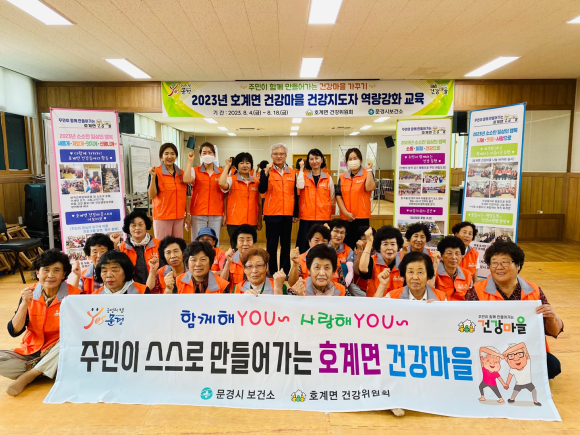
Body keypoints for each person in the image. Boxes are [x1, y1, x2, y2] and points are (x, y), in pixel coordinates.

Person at [465, 241, 563, 379]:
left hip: (525, 351)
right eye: (494, 263)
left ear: (518, 265)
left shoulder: (533, 290)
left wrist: (552, 317)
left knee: (552, 367)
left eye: (505, 262)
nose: (499, 267)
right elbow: (467, 324)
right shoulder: (477, 290)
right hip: (491, 351)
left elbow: (554, 331)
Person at [0, 249, 81, 396]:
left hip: (59, 351)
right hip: (31, 352)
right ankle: (46, 370)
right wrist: (24, 304)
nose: (50, 275)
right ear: (37, 272)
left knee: (70, 339)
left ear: (64, 274)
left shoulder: (75, 297)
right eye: (46, 270)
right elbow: (14, 331)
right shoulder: (29, 293)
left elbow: (80, 333)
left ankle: (29, 376)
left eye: (56, 270)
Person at [258, 143, 301, 275]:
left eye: (281, 154)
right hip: (271, 214)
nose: (279, 156)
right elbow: (262, 189)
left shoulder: (292, 173)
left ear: (286, 156)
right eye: (276, 154)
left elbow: (295, 194)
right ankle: (271, 271)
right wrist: (266, 173)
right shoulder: (266, 171)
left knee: (286, 245)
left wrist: (295, 213)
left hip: (287, 214)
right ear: (271, 156)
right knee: (271, 245)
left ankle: (284, 271)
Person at [183, 142, 225, 243]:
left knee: (214, 242)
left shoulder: (221, 172)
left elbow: (225, 194)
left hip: (216, 213)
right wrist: (189, 162)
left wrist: (225, 214)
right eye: (204, 153)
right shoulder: (195, 170)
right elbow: (186, 179)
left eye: (210, 152)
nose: (207, 155)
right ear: (200, 155)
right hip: (198, 213)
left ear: (214, 155)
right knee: (198, 242)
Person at [335, 148, 376, 249]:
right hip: (346, 218)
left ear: (360, 160)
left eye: (355, 158)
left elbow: (370, 188)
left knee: (362, 246)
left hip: (362, 217)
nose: (353, 161)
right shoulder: (342, 177)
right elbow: (338, 196)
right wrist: (345, 213)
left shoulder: (367, 173)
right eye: (350, 159)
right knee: (346, 247)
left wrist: (369, 170)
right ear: (347, 162)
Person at [296, 149, 335, 253]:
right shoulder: (304, 177)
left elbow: (332, 196)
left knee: (322, 246)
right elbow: (299, 186)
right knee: (305, 245)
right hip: (306, 217)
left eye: (317, 158)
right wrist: (301, 169)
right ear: (308, 161)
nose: (314, 161)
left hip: (323, 217)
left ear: (321, 160)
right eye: (311, 159)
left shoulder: (328, 178)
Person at [147, 142, 189, 239]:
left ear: (176, 156)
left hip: (179, 217)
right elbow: (152, 196)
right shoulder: (156, 172)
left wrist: (187, 215)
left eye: (172, 154)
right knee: (163, 246)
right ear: (161, 156)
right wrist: (153, 178)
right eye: (166, 154)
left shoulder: (182, 174)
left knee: (177, 245)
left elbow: (185, 196)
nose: (169, 156)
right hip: (162, 217)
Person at [219, 153, 262, 240]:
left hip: (252, 221)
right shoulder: (231, 179)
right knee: (235, 246)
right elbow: (221, 183)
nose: (245, 165)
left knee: (249, 246)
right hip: (235, 221)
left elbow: (259, 203)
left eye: (247, 163)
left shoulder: (256, 182)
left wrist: (259, 219)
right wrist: (227, 166)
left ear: (251, 165)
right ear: (236, 165)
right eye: (241, 163)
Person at [113, 211, 160, 286]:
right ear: (128, 228)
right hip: (131, 289)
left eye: (141, 224)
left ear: (146, 226)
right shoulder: (122, 248)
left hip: (156, 287)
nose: (137, 228)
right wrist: (114, 245)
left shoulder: (158, 244)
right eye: (133, 225)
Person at [357, 226, 405, 297]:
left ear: (398, 246)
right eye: (385, 244)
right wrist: (369, 242)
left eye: (393, 244)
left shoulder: (404, 263)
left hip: (397, 303)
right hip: (375, 302)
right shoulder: (372, 260)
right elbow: (363, 269)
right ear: (379, 247)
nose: (389, 248)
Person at [221, 224, 257, 291]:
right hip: (234, 295)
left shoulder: (259, 260)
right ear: (236, 245)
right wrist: (228, 263)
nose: (245, 244)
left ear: (253, 243)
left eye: (248, 240)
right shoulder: (230, 258)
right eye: (241, 240)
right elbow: (222, 284)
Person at [435, 236, 473, 301]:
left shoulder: (467, 275)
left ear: (462, 256)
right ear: (441, 256)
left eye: (457, 253)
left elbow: (469, 299)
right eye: (449, 253)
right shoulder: (434, 273)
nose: (453, 257)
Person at [327, 219, 354, 287]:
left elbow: (350, 271)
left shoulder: (348, 250)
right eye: (336, 231)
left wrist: (344, 285)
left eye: (342, 233)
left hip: (343, 284)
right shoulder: (323, 247)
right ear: (329, 232)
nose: (339, 235)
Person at [352, 226, 376, 296]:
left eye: (369, 238)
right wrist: (360, 251)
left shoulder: (379, 253)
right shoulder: (356, 252)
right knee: (351, 287)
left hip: (375, 288)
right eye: (364, 239)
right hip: (360, 288)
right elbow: (357, 272)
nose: (367, 241)